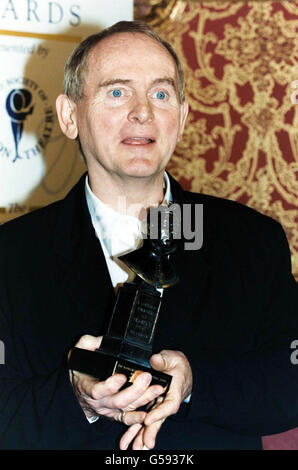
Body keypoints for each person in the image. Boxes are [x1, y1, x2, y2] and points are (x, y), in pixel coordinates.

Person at [0, 20, 297, 451]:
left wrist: (195, 382)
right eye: (117, 92)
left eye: (160, 94)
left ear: (182, 116)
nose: (143, 112)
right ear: (69, 116)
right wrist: (77, 399)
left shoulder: (252, 240)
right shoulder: (11, 255)